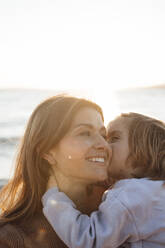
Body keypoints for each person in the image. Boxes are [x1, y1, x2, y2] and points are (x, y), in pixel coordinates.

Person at [0, 94, 111, 248]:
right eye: (85, 133)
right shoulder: (12, 238)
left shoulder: (123, 210)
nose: (103, 145)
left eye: (104, 135)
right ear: (47, 151)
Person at [42, 112, 165, 248]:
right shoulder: (155, 190)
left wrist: (53, 199)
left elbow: (89, 240)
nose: (104, 145)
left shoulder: (131, 194)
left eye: (114, 138)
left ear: (143, 153)